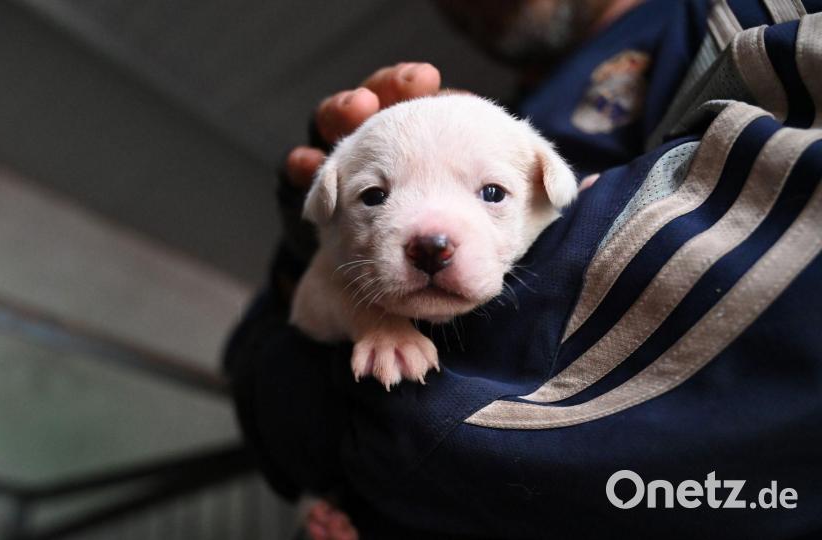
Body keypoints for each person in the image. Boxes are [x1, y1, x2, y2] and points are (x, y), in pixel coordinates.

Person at [225, 0, 822, 538]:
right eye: (376, 195)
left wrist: (335, 423)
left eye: (490, 191)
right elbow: (253, 380)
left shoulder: (729, 22)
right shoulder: (489, 120)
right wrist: (313, 249)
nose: (430, 238)